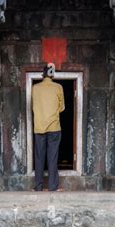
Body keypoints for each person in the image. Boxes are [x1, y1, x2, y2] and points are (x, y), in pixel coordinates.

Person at [31, 63, 65, 192]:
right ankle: (52, 187)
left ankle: (38, 187)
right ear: (52, 74)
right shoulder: (58, 87)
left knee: (39, 157)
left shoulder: (35, 88)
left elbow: (32, 106)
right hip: (54, 127)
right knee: (53, 157)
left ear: (43, 74)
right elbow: (62, 108)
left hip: (39, 127)